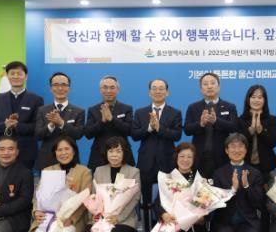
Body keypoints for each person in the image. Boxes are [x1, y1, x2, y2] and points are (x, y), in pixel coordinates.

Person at [131, 78, 183, 209]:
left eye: (161, 88)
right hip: (146, 162)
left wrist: (160, 128)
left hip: (167, 162)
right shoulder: (140, 112)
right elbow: (135, 135)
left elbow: (177, 135)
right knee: (146, 201)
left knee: (167, 201)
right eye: (154, 88)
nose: (157, 91)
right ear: (149, 92)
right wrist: (149, 128)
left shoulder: (175, 113)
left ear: (167, 92)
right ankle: (147, 221)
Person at [238, 84, 276, 232]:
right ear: (248, 100)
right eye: (253, 97)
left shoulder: (271, 119)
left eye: (260, 97)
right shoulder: (241, 120)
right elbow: (239, 143)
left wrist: (260, 130)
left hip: (265, 168)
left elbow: (273, 142)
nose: (256, 100)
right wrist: (250, 129)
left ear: (265, 100)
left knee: (265, 204)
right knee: (247, 202)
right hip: (246, 168)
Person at [0, 61, 44, 169]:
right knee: (1, 180)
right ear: (7, 76)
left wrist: (18, 125)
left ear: (26, 77)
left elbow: (38, 127)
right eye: (12, 73)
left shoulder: (36, 99)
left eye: (19, 73)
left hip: (26, 153)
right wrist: (5, 125)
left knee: (24, 180)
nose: (16, 76)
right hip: (3, 152)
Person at [183, 72, 239, 178]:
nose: (209, 86)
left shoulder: (229, 106)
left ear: (219, 87)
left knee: (221, 185)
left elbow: (234, 127)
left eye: (213, 83)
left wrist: (216, 121)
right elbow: (187, 129)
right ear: (201, 89)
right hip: (199, 156)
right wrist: (200, 124)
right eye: (205, 84)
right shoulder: (193, 107)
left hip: (222, 156)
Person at [34, 72, 86, 171]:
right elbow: (38, 136)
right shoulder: (42, 110)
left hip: (70, 160)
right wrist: (51, 125)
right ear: (51, 88)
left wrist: (61, 123)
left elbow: (78, 134)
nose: (60, 88)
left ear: (69, 88)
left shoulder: (79, 111)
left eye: (64, 85)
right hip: (47, 160)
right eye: (56, 85)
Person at [84, 76, 134, 172]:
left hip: (122, 156)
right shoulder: (93, 110)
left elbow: (130, 130)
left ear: (118, 90)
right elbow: (88, 134)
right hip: (98, 156)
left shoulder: (126, 108)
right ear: (100, 90)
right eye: (105, 87)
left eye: (112, 87)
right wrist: (102, 121)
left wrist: (112, 119)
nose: (108, 91)